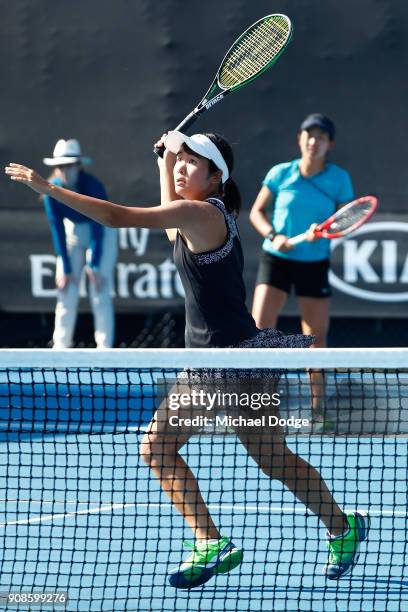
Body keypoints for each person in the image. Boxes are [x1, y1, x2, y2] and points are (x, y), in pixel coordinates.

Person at [5, 131, 368, 589]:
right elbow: (168, 221)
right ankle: (211, 541)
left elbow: (118, 217)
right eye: (182, 161)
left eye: (193, 164)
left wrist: (49, 188)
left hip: (243, 370)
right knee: (158, 448)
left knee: (273, 460)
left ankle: (342, 527)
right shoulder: (196, 215)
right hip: (205, 366)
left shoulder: (200, 212)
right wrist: (165, 159)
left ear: (216, 177)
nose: (182, 169)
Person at [250, 114, 354, 428]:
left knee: (316, 338)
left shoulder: (339, 179)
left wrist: (323, 231)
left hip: (314, 263)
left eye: (321, 137)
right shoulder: (280, 173)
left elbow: (346, 221)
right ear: (300, 139)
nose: (314, 141)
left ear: (330, 144)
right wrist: (273, 235)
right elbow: (257, 212)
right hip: (276, 260)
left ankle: (318, 411)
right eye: (309, 135)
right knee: (259, 331)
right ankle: (255, 406)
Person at [42, 138, 117, 348]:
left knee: (99, 290)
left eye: (69, 165)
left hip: (101, 233)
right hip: (72, 233)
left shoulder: (93, 186)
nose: (65, 170)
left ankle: (105, 350)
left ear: (78, 165)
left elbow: (98, 226)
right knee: (65, 290)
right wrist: (65, 267)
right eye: (60, 166)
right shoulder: (51, 192)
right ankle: (60, 347)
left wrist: (94, 264)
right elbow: (56, 228)